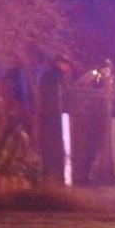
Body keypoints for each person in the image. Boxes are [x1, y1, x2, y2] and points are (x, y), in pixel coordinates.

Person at [38, 54, 74, 185]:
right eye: (66, 64)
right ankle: (54, 172)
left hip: (51, 113)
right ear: (59, 63)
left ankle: (51, 172)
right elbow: (63, 94)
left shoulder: (51, 76)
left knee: (51, 143)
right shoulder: (54, 77)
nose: (68, 68)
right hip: (54, 114)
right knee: (54, 143)